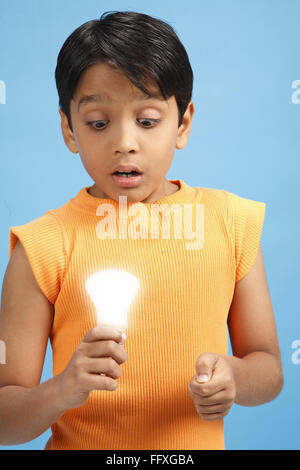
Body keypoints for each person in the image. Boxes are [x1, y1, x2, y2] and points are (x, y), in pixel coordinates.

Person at [0, 11, 283, 450]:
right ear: (68, 129)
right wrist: (63, 388)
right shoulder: (42, 246)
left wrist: (235, 377)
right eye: (98, 123)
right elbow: (4, 418)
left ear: (183, 123)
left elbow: (267, 368)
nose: (125, 142)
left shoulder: (231, 223)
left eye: (147, 121)